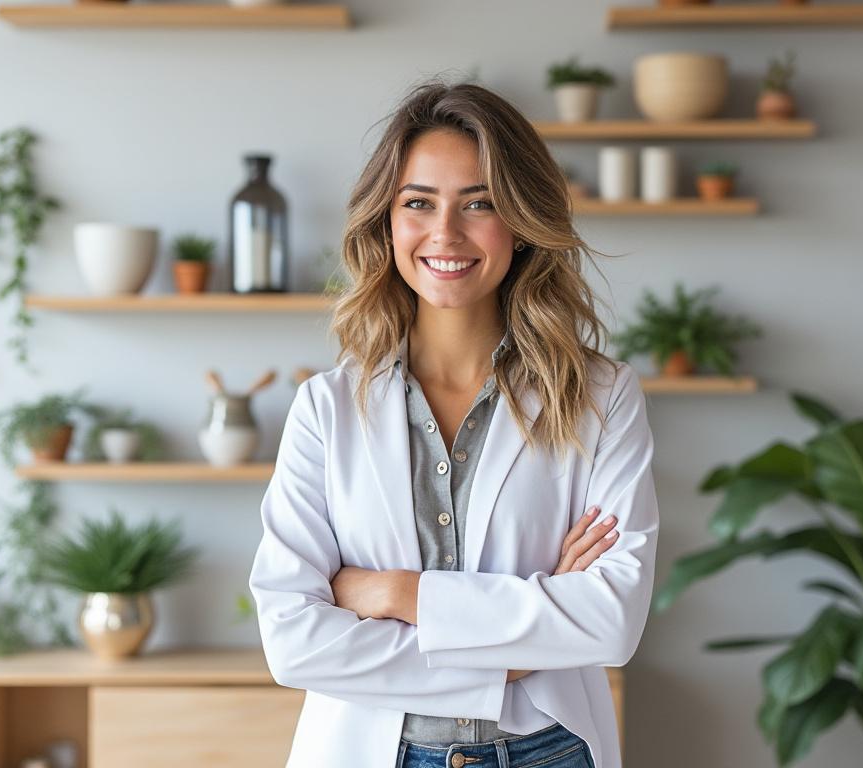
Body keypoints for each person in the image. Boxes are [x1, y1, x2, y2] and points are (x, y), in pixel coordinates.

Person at [248, 79, 659, 768]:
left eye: (480, 204)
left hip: (548, 751)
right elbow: (294, 641)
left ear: (522, 224)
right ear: (387, 220)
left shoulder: (600, 395)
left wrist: (393, 593)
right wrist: (510, 659)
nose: (446, 233)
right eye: (419, 203)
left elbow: (611, 620)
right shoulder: (325, 409)